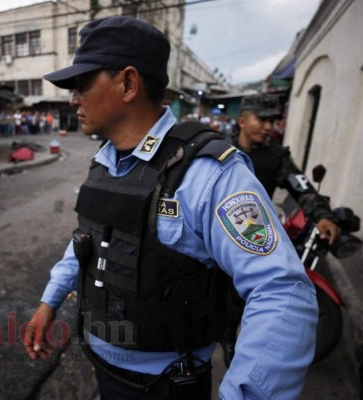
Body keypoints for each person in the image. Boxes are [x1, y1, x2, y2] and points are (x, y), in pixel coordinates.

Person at [23, 16, 318, 399]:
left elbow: (283, 293)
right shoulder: (106, 161)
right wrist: (49, 300)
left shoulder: (209, 172)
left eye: (82, 83)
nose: (73, 99)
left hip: (166, 385)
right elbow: (86, 240)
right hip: (105, 368)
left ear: (128, 83)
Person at [220, 93, 341, 367]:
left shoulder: (277, 157)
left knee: (244, 307)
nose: (268, 126)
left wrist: (322, 215)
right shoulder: (218, 150)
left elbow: (303, 188)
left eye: (273, 120)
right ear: (241, 120)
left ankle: (234, 353)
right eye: (261, 119)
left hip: (252, 244)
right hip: (214, 245)